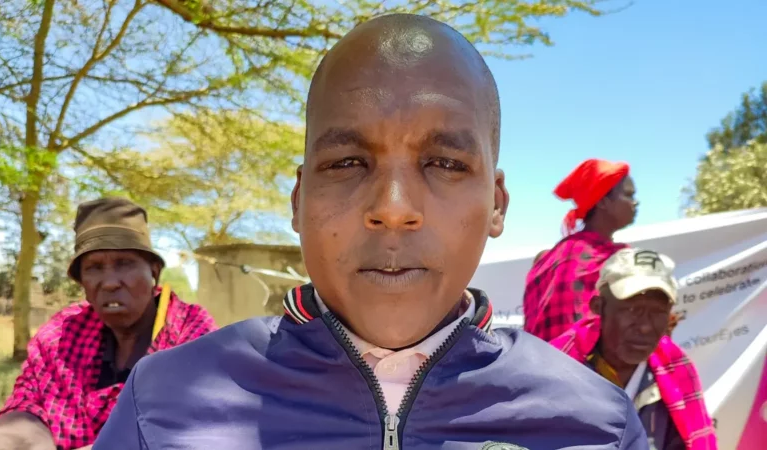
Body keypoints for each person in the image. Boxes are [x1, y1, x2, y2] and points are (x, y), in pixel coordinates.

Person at [94, 14, 648, 449]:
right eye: (346, 163)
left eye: (445, 164)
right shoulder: (162, 404)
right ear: (298, 201)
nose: (393, 209)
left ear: (497, 205)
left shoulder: (595, 424)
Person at [0, 198, 217, 450]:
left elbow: (203, 424)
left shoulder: (191, 332)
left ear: (154, 272)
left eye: (124, 263)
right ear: (83, 284)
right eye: (94, 267)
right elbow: (30, 398)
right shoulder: (63, 335)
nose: (109, 282)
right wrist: (14, 437)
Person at [551, 248, 717, 450]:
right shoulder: (557, 367)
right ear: (598, 306)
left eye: (658, 312)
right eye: (631, 309)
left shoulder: (676, 371)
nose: (645, 326)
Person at [523, 158, 636, 342]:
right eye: (629, 195)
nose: (635, 203)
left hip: (537, 359)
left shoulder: (549, 258)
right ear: (603, 202)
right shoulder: (617, 260)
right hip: (583, 361)